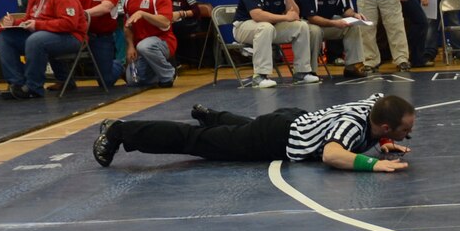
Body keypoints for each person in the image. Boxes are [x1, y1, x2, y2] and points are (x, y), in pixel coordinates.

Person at [93, 92, 413, 169]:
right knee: (197, 142)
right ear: (384, 124)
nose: (407, 135)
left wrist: (384, 141)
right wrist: (374, 163)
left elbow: (382, 102)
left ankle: (215, 116)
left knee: (238, 132)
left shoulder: (376, 104)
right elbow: (332, 154)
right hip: (275, 137)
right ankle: (120, 130)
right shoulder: (351, 126)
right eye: (402, 131)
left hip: (294, 119)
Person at [0, 0, 89, 100]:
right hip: (44, 35)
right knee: (5, 37)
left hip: (71, 37)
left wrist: (37, 25)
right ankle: (17, 84)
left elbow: (70, 24)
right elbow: (29, 19)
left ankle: (33, 87)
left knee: (36, 40)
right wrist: (14, 22)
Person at [233, 0, 317, 88]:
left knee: (301, 26)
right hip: (244, 26)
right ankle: (260, 76)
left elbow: (295, 13)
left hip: (270, 27)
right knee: (265, 27)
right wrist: (285, 18)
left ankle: (301, 72)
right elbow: (257, 15)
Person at [67, 0, 124, 88]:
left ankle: (120, 65)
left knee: (105, 81)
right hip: (79, 34)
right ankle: (65, 80)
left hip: (102, 36)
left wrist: (84, 14)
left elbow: (105, 7)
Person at [119, 0, 176, 87]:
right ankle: (156, 73)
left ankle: (168, 74)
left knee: (145, 46)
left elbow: (165, 22)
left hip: (163, 42)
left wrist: (143, 14)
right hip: (140, 46)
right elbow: (127, 25)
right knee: (133, 81)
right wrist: (130, 46)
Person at [157, 0, 214, 64]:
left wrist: (181, 13)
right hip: (173, 20)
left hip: (190, 22)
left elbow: (196, 10)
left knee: (171, 29)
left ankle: (174, 62)